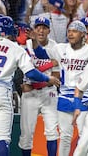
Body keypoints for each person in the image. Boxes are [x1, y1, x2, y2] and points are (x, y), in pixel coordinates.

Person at [0, 15, 60, 156]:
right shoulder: (15, 47)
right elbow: (31, 73)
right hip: (0, 92)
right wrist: (47, 78)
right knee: (2, 138)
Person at [31, 20, 88, 156]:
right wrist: (34, 41)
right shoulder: (60, 48)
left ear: (83, 34)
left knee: (85, 137)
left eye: (74, 31)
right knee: (65, 136)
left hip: (84, 97)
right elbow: (41, 55)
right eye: (69, 31)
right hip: (64, 97)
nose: (70, 34)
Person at [19, 16, 60, 156]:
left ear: (49, 30)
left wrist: (36, 83)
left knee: (52, 132)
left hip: (48, 93)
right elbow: (24, 69)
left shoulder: (55, 47)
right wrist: (49, 64)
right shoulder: (26, 44)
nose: (41, 30)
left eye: (44, 28)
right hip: (29, 95)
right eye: (38, 27)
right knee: (26, 134)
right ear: (34, 29)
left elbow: (57, 77)